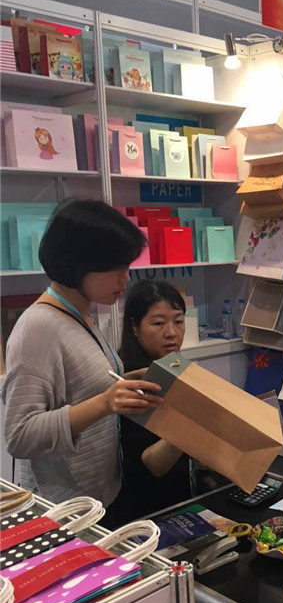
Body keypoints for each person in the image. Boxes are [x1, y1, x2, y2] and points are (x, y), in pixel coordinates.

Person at [2, 199, 163, 522]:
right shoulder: (38, 329)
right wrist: (105, 403)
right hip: (66, 512)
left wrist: (129, 381)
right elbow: (20, 436)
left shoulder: (79, 314)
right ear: (80, 264)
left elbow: (81, 386)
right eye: (117, 269)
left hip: (100, 495)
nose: (126, 279)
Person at [117, 279, 197, 521]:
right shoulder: (132, 381)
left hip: (185, 497)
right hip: (147, 511)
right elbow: (152, 466)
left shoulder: (177, 367)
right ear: (134, 327)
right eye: (159, 323)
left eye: (178, 321)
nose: (172, 333)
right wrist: (195, 424)